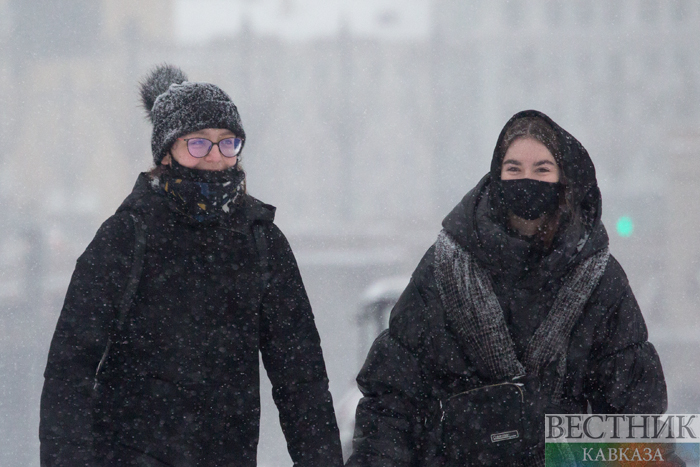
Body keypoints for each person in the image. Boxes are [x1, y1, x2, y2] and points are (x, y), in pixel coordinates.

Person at [40, 64, 343, 467]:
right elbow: (70, 370)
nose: (215, 156)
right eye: (198, 143)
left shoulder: (261, 241)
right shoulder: (126, 237)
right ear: (166, 151)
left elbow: (301, 381)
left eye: (227, 142)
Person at [346, 110, 669, 467]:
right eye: (514, 169)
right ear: (497, 174)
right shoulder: (444, 267)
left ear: (563, 178)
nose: (527, 180)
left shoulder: (599, 277)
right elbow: (392, 399)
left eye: (542, 169)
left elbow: (635, 409)